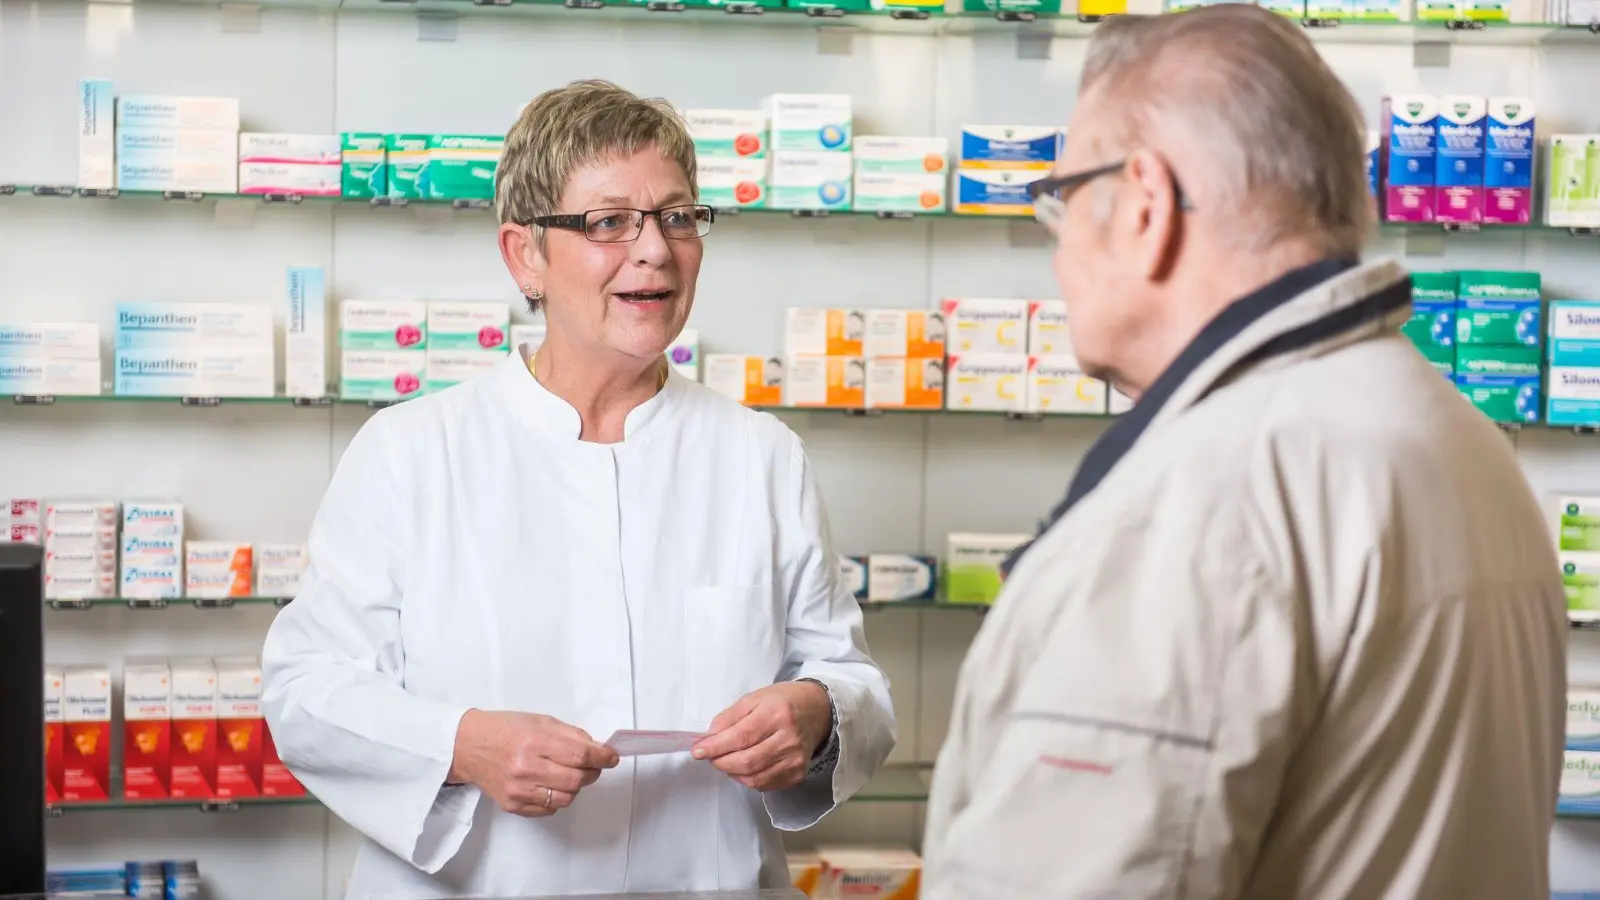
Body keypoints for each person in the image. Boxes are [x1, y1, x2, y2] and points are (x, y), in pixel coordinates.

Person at [922, 7, 1565, 899]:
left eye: (1062, 202)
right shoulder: (1455, 436)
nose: (1060, 249)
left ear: (1145, 204)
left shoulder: (1208, 503)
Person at [262, 80, 895, 899]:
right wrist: (460, 742)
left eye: (677, 216)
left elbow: (854, 680)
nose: (656, 251)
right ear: (525, 254)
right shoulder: (413, 453)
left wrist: (815, 712)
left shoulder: (761, 456)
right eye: (608, 223)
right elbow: (307, 690)